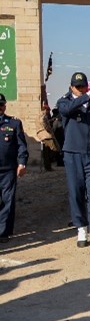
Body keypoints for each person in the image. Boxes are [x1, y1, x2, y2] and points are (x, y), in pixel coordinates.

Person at [57, 72, 90, 249]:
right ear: (71, 86)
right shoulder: (64, 101)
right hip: (73, 153)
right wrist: (88, 95)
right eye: (77, 86)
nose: (81, 89)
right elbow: (66, 110)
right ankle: (81, 228)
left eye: (83, 86)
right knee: (76, 192)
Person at [0, 94, 28, 243]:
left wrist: (22, 163)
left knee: (7, 201)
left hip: (8, 170)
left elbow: (21, 146)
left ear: (4, 106)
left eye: (1, 105)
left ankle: (3, 232)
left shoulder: (14, 123)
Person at [35, 101, 59, 171]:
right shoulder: (43, 115)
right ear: (45, 110)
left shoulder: (39, 115)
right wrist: (48, 129)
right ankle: (48, 166)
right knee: (54, 149)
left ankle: (47, 166)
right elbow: (43, 122)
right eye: (48, 110)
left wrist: (51, 120)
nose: (49, 112)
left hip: (42, 135)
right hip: (46, 135)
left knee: (46, 152)